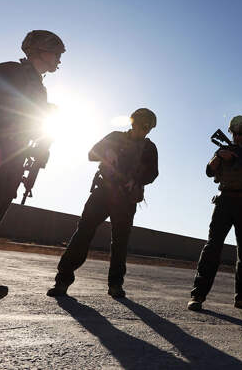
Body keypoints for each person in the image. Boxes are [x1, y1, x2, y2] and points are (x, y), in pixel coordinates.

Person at [0, 30, 65, 312]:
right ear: (40, 50)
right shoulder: (10, 71)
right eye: (56, 53)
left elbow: (34, 128)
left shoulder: (39, 88)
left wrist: (35, 161)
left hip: (11, 160)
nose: (59, 59)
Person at [46, 108, 158, 299]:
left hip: (126, 198)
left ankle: (115, 285)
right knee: (83, 232)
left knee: (120, 242)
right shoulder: (115, 137)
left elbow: (153, 173)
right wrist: (106, 152)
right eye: (143, 126)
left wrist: (137, 181)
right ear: (133, 123)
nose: (145, 130)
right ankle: (62, 281)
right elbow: (91, 154)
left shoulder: (149, 148)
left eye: (149, 128)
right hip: (104, 192)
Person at [187, 115, 242, 312]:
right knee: (212, 247)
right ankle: (198, 295)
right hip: (225, 201)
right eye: (234, 133)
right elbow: (209, 171)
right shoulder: (224, 149)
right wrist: (219, 157)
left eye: (241, 133)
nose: (237, 136)